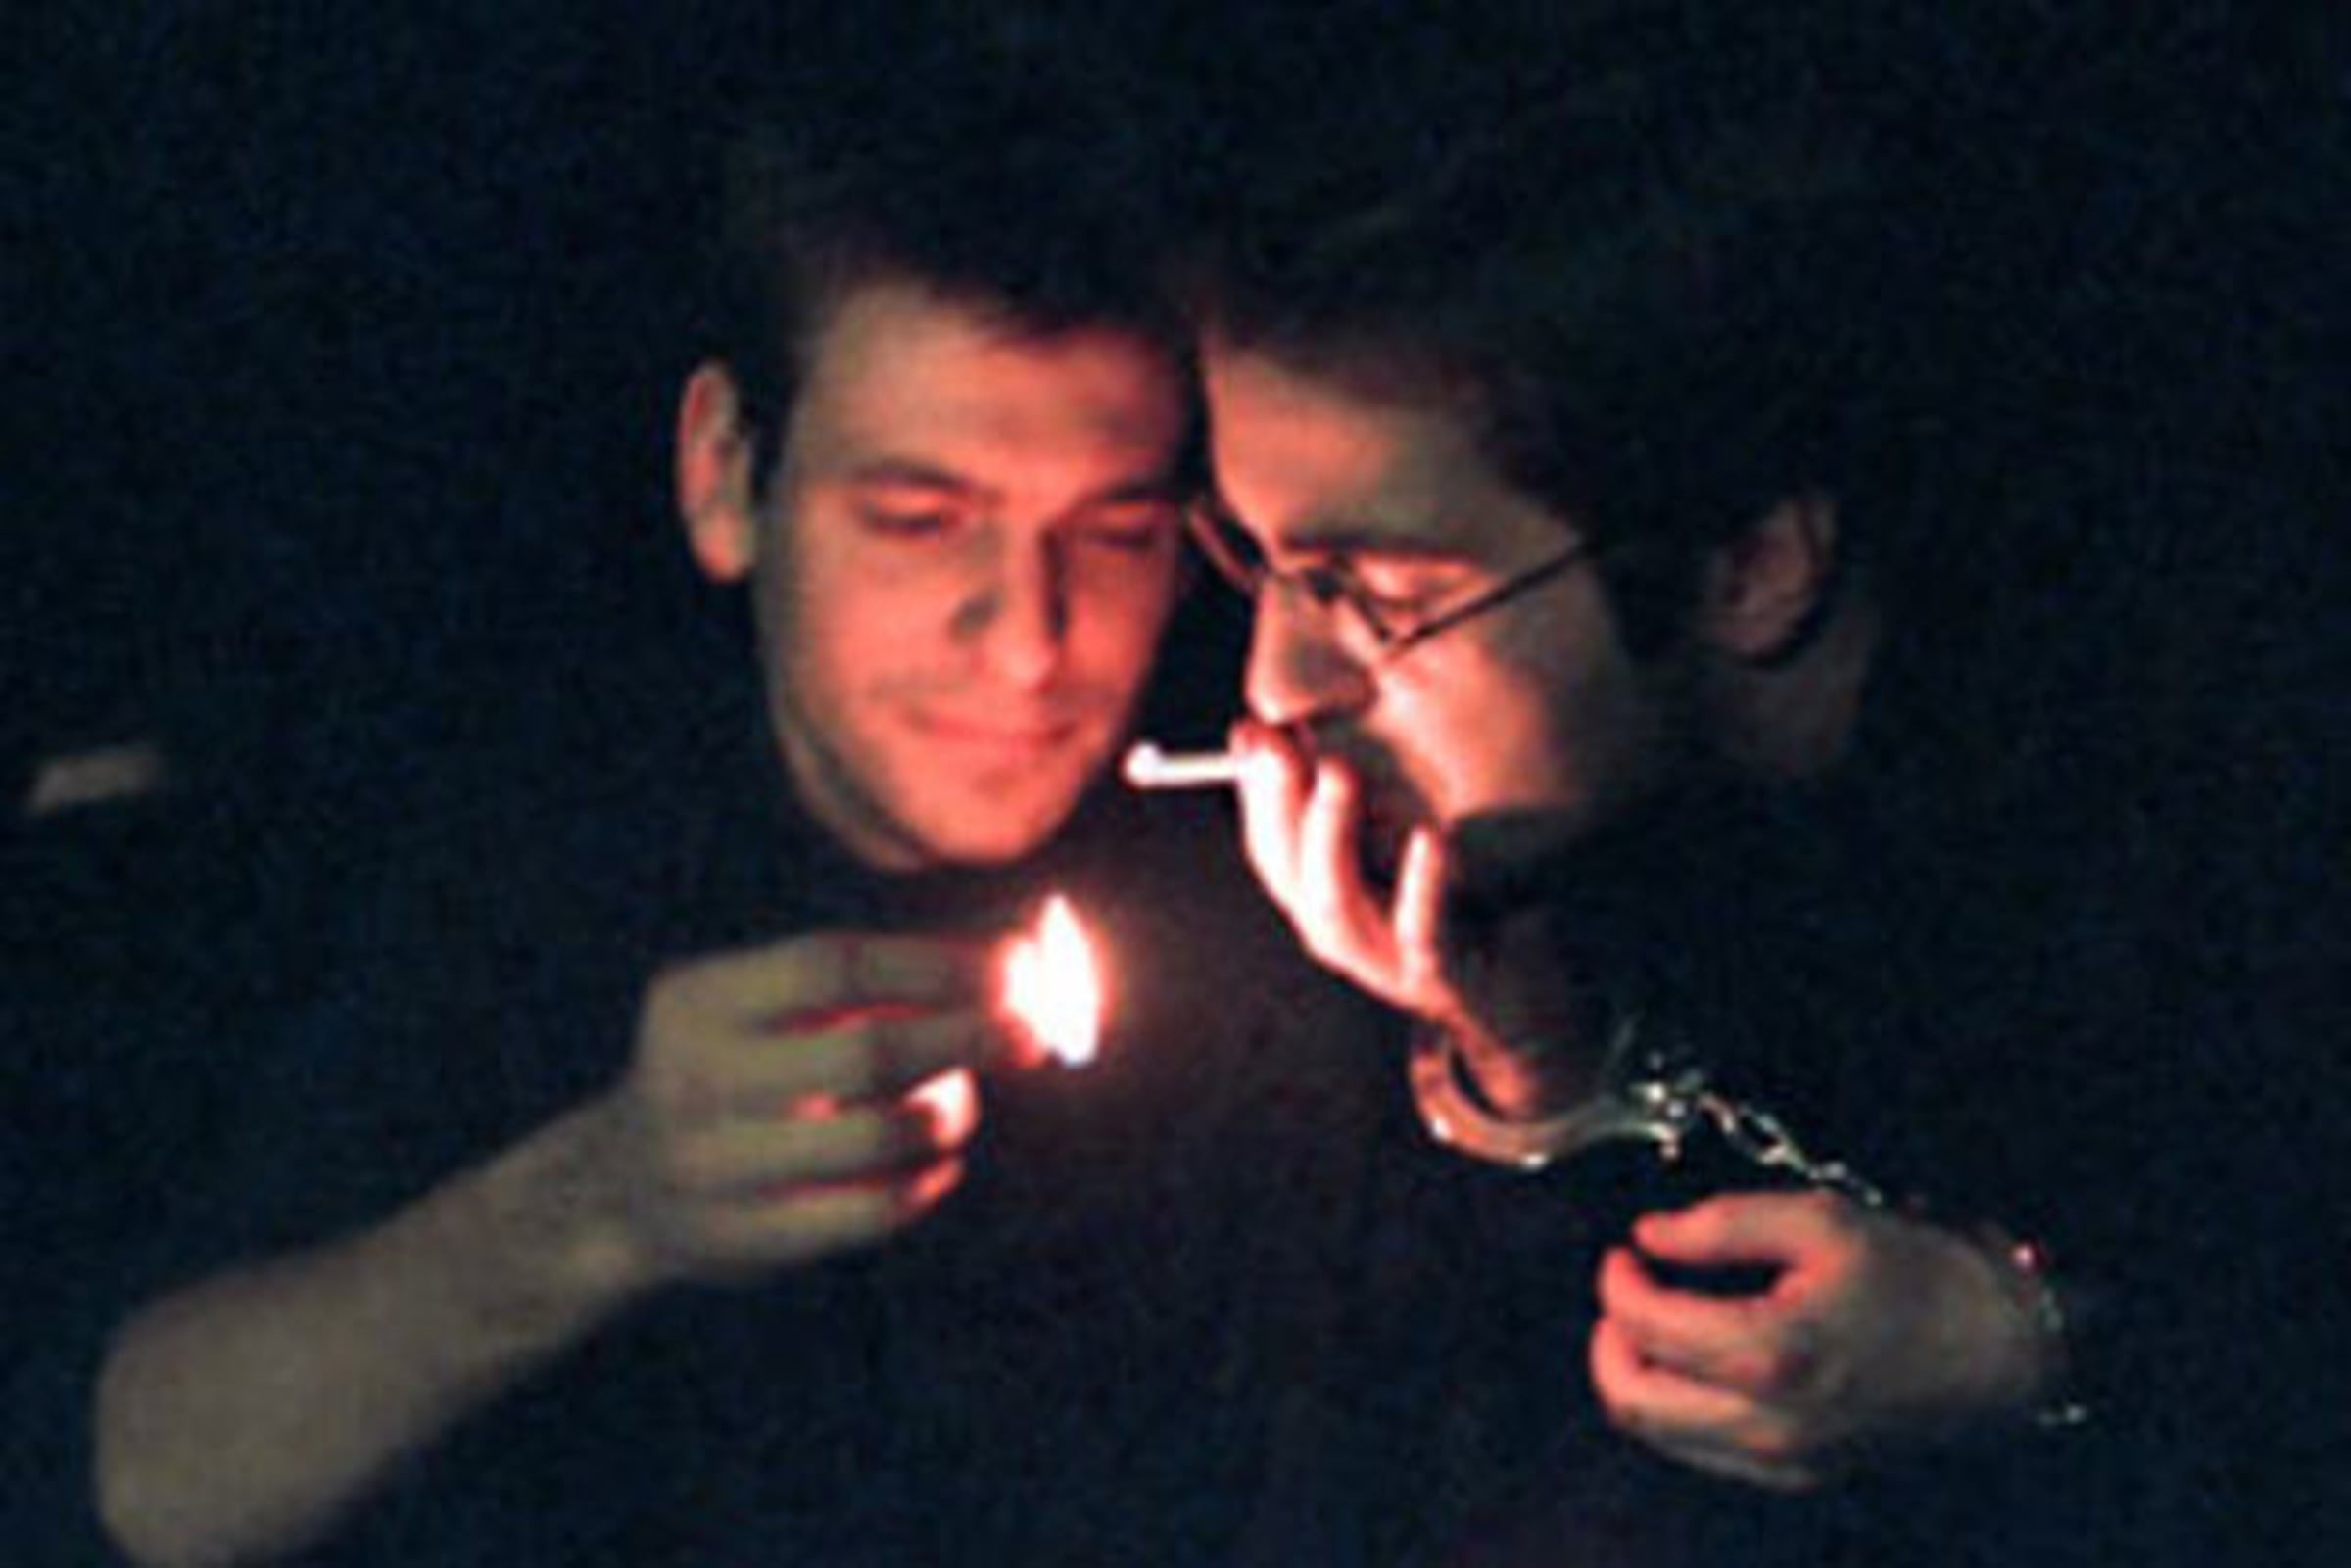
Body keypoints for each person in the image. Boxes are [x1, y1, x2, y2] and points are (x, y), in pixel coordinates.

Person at [87, 44, 1365, 1566]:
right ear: (722, 475)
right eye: (919, 518)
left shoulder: (1294, 896)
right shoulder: (541, 849)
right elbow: (131, 1485)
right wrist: (609, 1197)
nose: (1031, 640)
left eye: (1114, 533)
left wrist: (1508, 1058)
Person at [1181, 10, 2346, 1564]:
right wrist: (1527, 1064)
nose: (1274, 685)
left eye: (1377, 595)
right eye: (1254, 558)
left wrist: (2037, 1346)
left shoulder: (2234, 795)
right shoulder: (1538, 864)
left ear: (1748, 567)